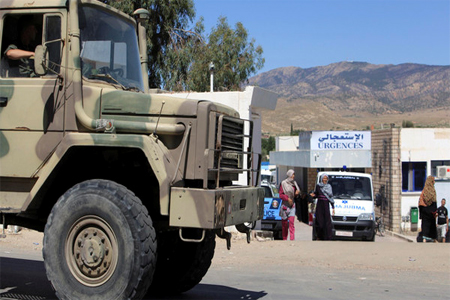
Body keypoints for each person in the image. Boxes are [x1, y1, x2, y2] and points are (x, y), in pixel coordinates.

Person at [311, 173, 335, 240]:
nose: (325, 180)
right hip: (320, 205)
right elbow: (316, 194)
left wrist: (333, 206)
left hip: (326, 205)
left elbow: (331, 197)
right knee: (320, 221)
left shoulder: (329, 187)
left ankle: (328, 237)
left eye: (326, 178)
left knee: (327, 222)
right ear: (321, 179)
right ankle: (319, 236)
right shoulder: (318, 186)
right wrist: (313, 196)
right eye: (324, 178)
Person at [279, 169, 300, 240]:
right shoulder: (283, 183)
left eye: (294, 174)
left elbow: (295, 194)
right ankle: (284, 238)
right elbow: (281, 195)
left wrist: (296, 194)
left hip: (292, 206)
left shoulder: (294, 184)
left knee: (291, 223)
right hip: (285, 206)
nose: (293, 176)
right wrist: (287, 198)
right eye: (292, 174)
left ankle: (292, 239)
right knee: (284, 224)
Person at [418, 175, 437, 242]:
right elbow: (434, 202)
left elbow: (420, 203)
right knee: (431, 226)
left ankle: (424, 239)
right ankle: (432, 239)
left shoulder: (424, 192)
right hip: (431, 213)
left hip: (425, 212)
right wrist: (435, 212)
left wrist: (421, 215)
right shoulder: (433, 191)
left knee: (425, 226)